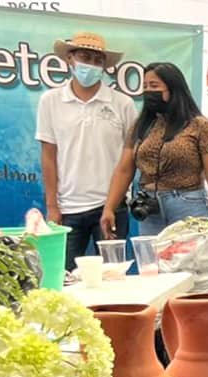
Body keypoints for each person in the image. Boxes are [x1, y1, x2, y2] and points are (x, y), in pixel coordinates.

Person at [37, 31, 138, 269]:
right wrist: (53, 207)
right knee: (65, 278)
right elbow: (48, 156)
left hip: (111, 206)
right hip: (67, 209)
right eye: (84, 57)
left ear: (104, 66)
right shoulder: (50, 101)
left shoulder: (123, 103)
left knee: (113, 278)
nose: (90, 65)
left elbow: (129, 161)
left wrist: (112, 205)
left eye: (97, 60)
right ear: (69, 59)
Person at [101, 62, 208, 240]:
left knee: (189, 261)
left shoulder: (200, 126)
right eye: (145, 86)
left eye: (154, 86)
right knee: (154, 263)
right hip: (149, 208)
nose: (148, 91)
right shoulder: (141, 126)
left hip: (188, 204)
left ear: (173, 89)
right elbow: (124, 170)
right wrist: (109, 208)